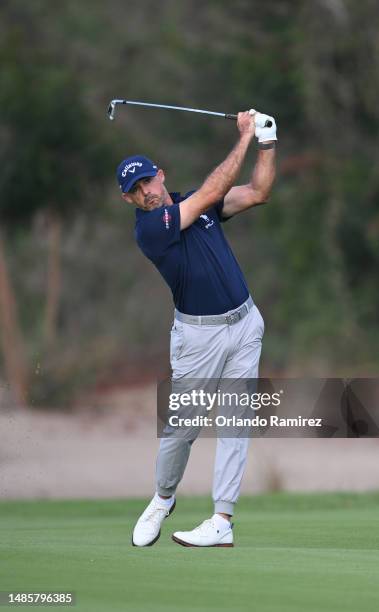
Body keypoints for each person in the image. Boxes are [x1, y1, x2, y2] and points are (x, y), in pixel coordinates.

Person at [116, 109, 277, 547]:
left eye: (148, 181)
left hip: (245, 324)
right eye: (136, 190)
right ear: (129, 200)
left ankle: (222, 520)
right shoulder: (151, 229)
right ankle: (162, 498)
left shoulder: (199, 207)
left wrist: (267, 142)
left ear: (160, 176)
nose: (146, 192)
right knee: (182, 429)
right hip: (198, 338)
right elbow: (212, 190)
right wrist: (243, 136)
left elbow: (259, 192)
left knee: (235, 422)